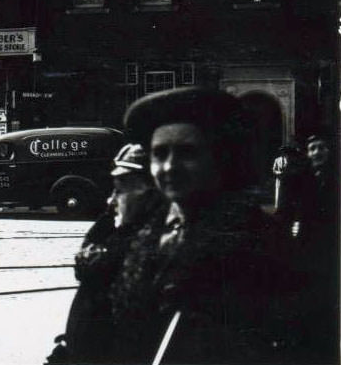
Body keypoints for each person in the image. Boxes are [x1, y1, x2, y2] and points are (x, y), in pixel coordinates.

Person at [110, 87, 295, 364]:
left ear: (218, 158)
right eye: (159, 154)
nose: (170, 167)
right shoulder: (137, 232)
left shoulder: (259, 239)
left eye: (187, 153)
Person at [46, 143, 168, 364]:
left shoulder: (147, 249)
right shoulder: (119, 237)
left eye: (120, 190)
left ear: (149, 193)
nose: (111, 200)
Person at [293, 134, 340, 364]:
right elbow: (295, 210)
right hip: (309, 244)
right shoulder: (303, 179)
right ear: (307, 153)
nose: (317, 152)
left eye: (321, 147)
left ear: (329, 151)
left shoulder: (336, 177)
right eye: (312, 148)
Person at [271, 140, 308, 238]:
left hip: (292, 191)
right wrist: (279, 174)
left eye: (288, 153)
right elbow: (274, 169)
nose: (287, 155)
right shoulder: (278, 160)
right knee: (280, 196)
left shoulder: (295, 163)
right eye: (285, 152)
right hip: (281, 182)